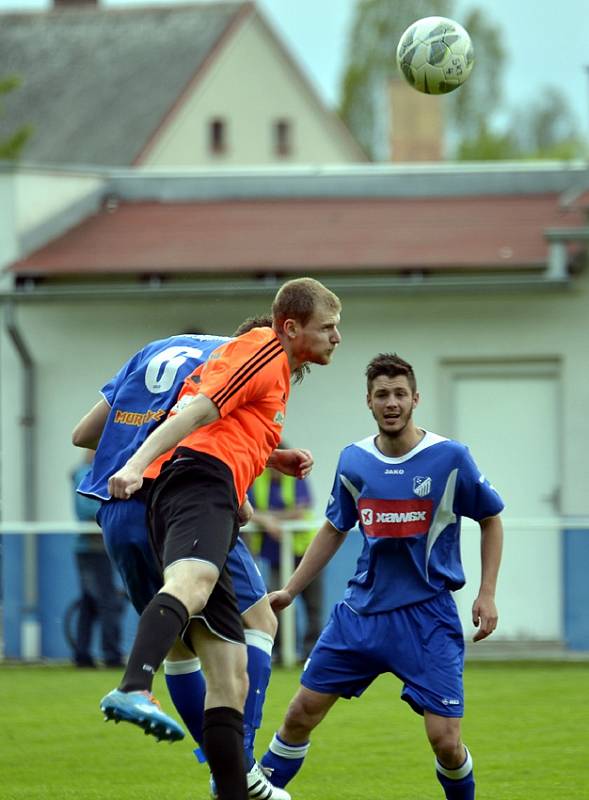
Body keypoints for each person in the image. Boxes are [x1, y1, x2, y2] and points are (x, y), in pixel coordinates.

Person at [99, 276, 341, 800]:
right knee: (196, 579)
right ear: (292, 326)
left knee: (230, 669)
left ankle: (235, 786)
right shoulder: (264, 349)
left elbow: (221, 423)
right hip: (195, 482)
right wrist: (136, 464)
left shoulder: (275, 377)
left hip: (209, 488)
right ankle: (134, 687)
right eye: (329, 327)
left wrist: (267, 462)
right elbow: (201, 411)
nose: (336, 337)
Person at [259, 353, 504, 800]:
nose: (391, 403)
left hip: (428, 618)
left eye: (399, 394)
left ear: (415, 399)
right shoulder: (354, 461)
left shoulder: (450, 458)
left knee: (446, 742)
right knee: (298, 715)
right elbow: (335, 526)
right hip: (361, 615)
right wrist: (291, 590)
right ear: (368, 402)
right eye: (381, 395)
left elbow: (491, 518)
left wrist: (486, 593)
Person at [248, 447, 323, 662]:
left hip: (306, 552)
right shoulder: (258, 478)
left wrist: (268, 517)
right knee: (276, 603)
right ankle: (279, 651)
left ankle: (311, 653)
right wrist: (267, 520)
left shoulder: (297, 475)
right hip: (275, 554)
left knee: (312, 604)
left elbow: (300, 509)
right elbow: (246, 509)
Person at [70, 450, 125, 669]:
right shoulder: (87, 473)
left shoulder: (90, 472)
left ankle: (82, 655)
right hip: (92, 547)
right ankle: (111, 655)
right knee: (106, 601)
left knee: (89, 602)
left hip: (95, 547)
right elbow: (88, 508)